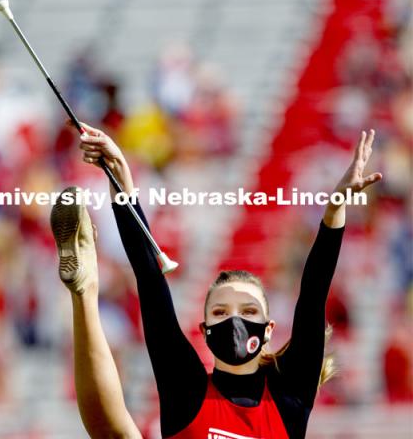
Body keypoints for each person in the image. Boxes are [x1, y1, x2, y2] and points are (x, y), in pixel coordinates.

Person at [68, 126, 382, 438]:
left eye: (248, 311)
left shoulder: (290, 397)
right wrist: (121, 177)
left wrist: (335, 209)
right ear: (204, 332)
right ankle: (84, 289)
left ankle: (85, 288)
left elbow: (313, 294)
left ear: (269, 328)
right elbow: (151, 282)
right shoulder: (188, 390)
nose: (234, 320)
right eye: (220, 313)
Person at [50, 186, 142, 439]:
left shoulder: (114, 264)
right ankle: (85, 289)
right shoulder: (114, 265)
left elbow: (129, 296)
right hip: (100, 324)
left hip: (111, 323)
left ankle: (84, 290)